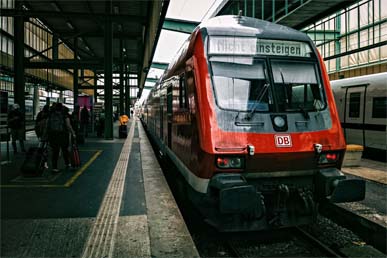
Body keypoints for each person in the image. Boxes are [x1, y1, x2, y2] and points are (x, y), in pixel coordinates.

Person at [46, 103, 75, 173]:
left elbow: (47, 126)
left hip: (53, 135)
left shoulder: (51, 115)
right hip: (63, 135)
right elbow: (68, 125)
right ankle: (67, 164)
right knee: (65, 150)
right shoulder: (65, 115)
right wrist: (73, 133)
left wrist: (46, 135)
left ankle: (54, 167)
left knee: (55, 151)